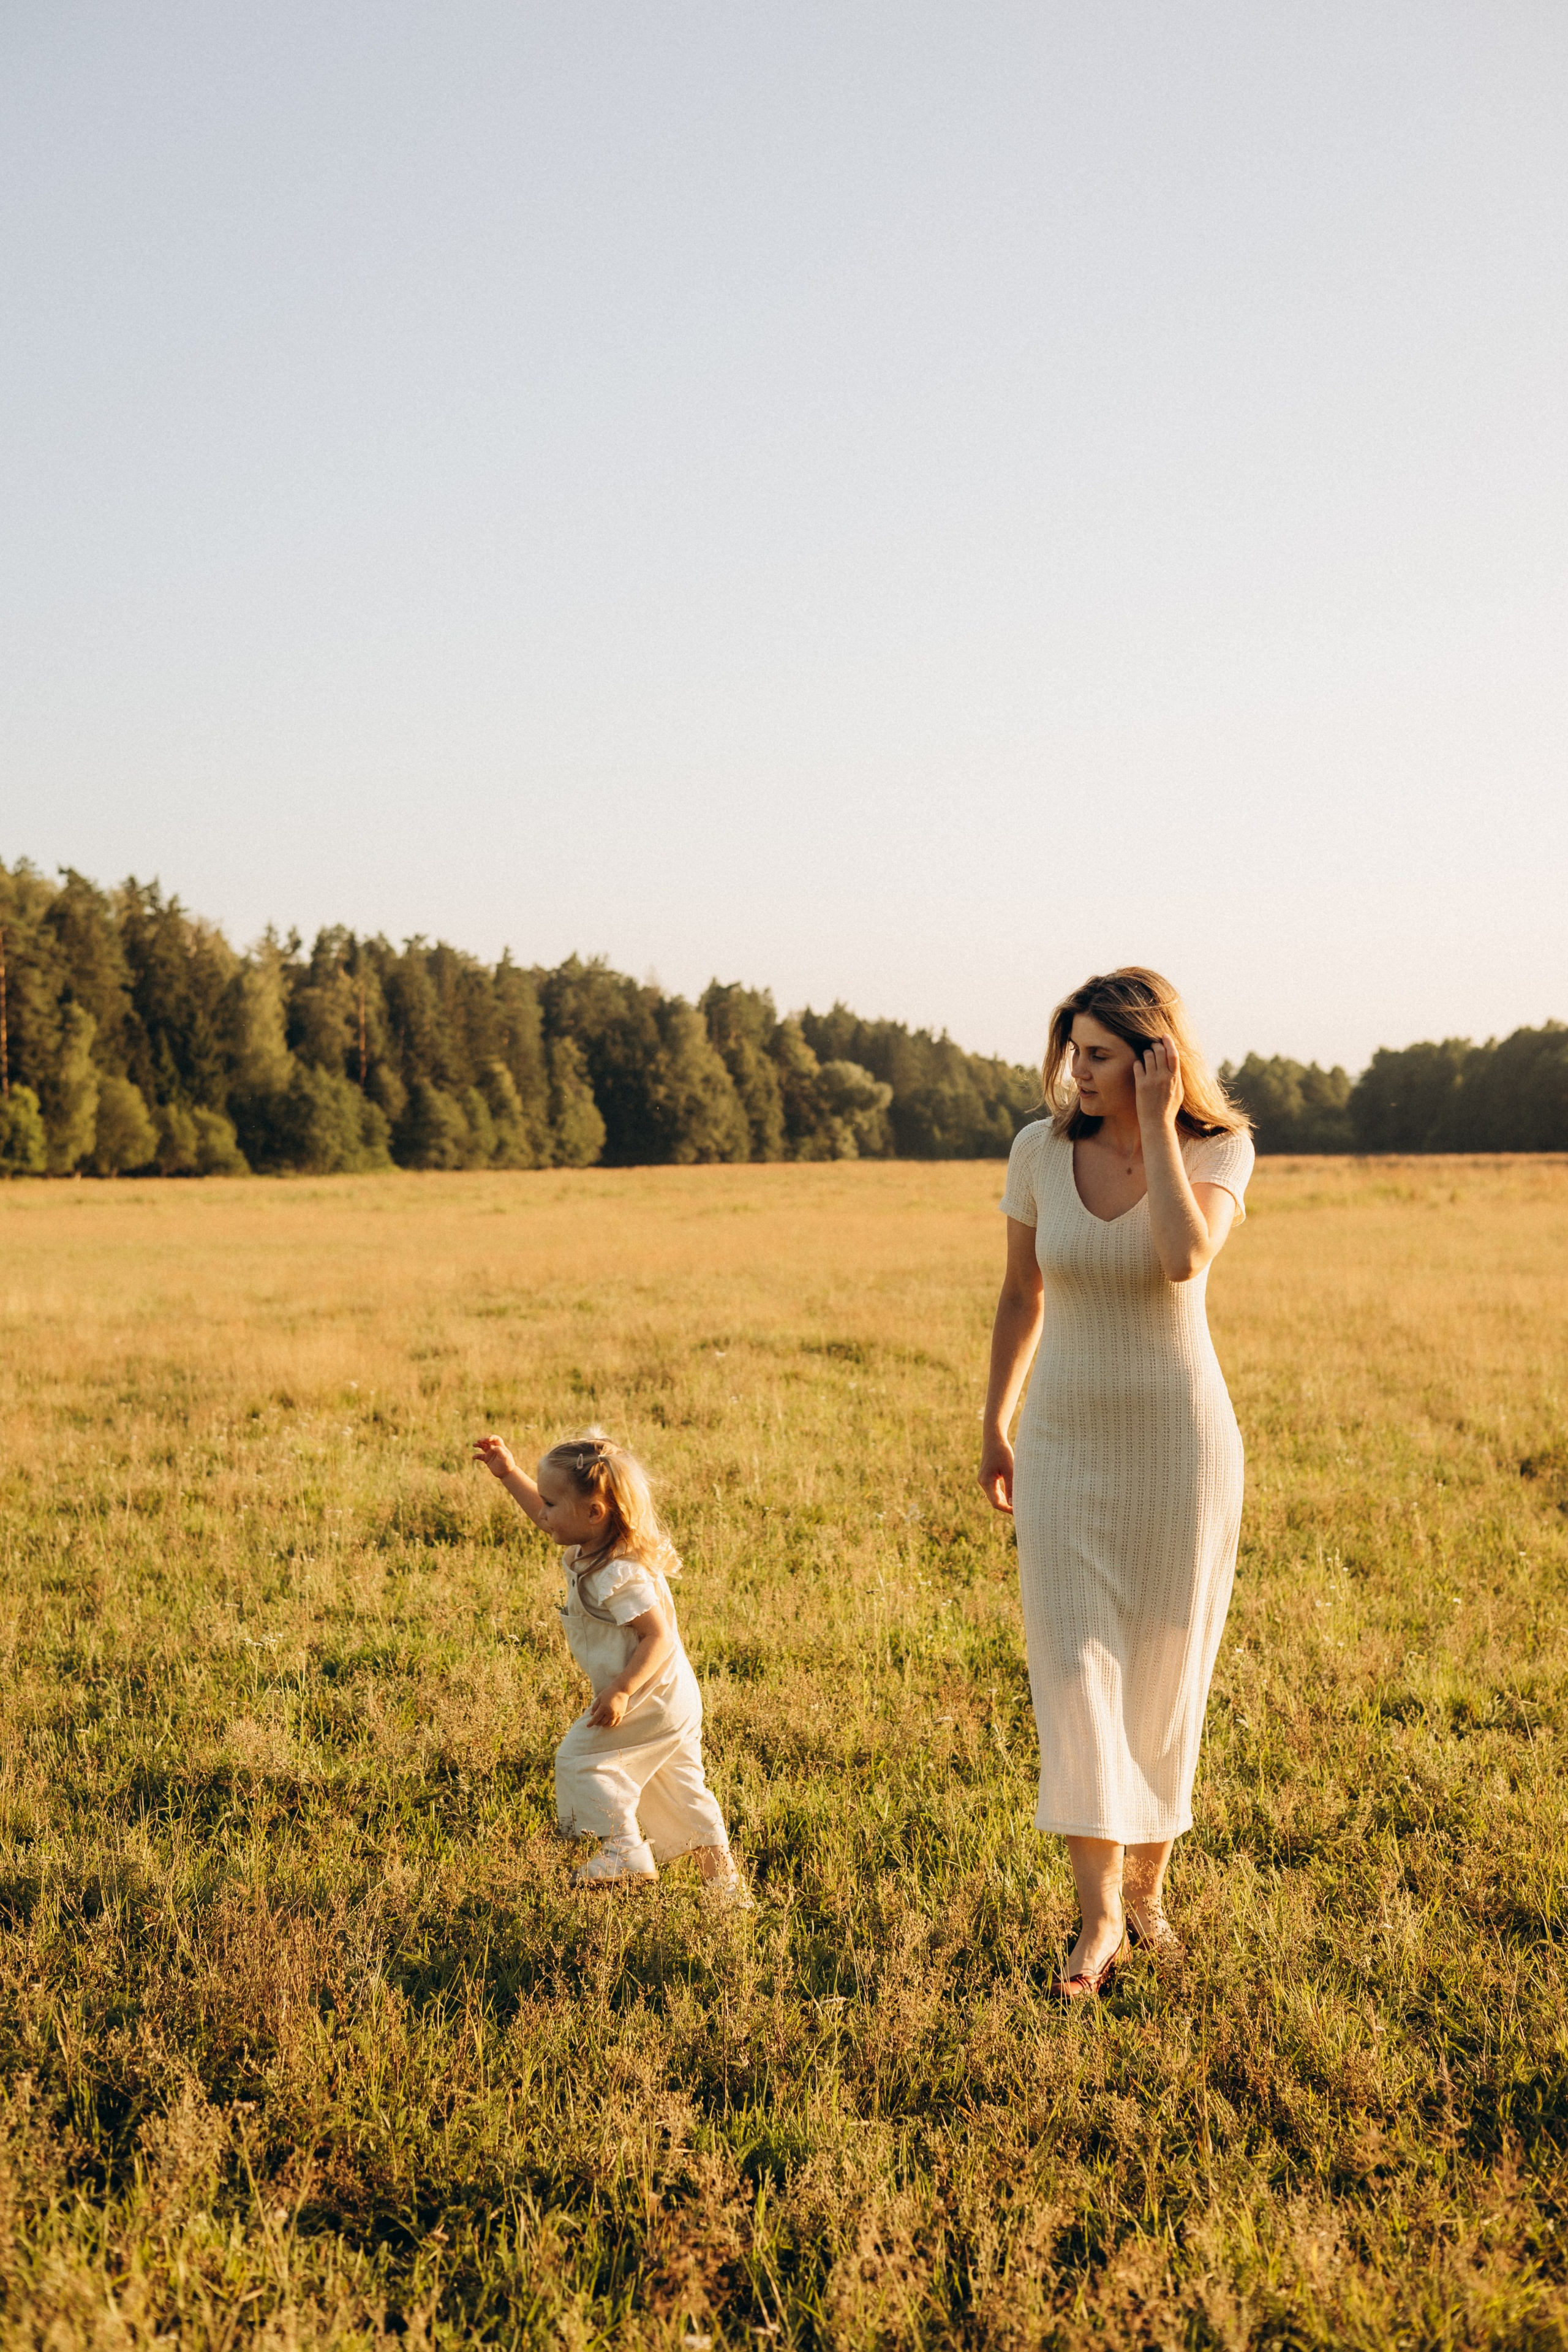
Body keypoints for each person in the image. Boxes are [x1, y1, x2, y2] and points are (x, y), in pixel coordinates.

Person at [979, 967, 1254, 1999]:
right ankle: (1097, 1921)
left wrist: (1155, 1122)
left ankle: (1148, 1896)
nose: (1077, 1073)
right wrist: (994, 1423)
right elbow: (1020, 1292)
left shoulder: (1221, 1149)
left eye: (1099, 1055)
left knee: (1163, 1678)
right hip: (1061, 1446)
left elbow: (1184, 1260)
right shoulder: (1039, 1152)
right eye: (1072, 1053)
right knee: (1073, 1674)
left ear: (1153, 1055)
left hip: (1182, 1451)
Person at [473, 1425, 752, 1908]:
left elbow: (657, 1635)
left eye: (552, 1504)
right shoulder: (594, 1547)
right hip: (673, 1697)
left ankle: (623, 1849)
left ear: (594, 1513)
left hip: (648, 1694)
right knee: (682, 1792)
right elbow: (544, 1516)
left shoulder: (619, 1575)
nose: (544, 1513)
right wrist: (508, 1473)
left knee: (580, 1758)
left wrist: (622, 1689)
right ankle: (726, 1890)